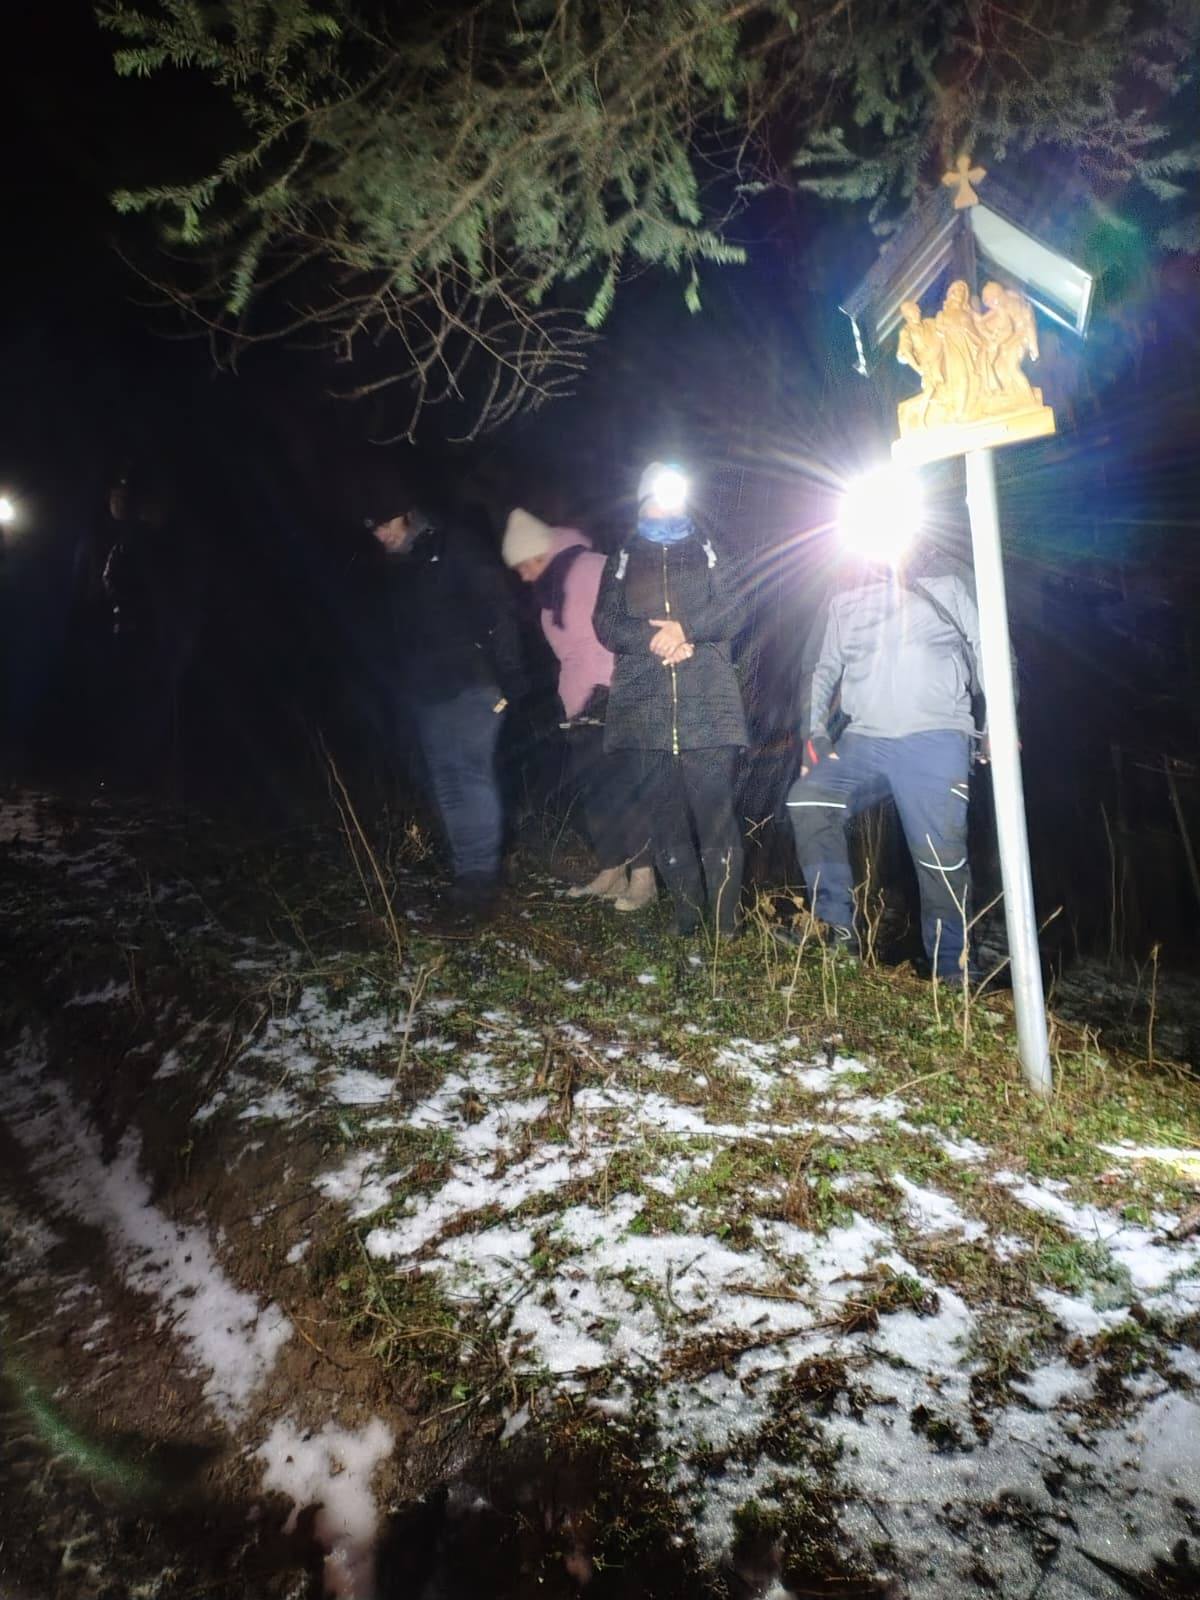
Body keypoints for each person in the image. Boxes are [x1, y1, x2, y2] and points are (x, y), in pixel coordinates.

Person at [785, 535, 988, 981]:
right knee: (810, 799)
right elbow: (820, 667)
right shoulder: (844, 591)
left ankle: (954, 971)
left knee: (939, 855)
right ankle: (835, 932)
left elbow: (987, 645)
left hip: (936, 735)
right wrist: (814, 734)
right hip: (865, 739)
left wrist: (999, 719)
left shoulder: (948, 576)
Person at [593, 462, 748, 936]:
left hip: (708, 704)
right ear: (642, 502)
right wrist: (655, 639)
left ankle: (726, 925)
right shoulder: (622, 556)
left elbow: (737, 607)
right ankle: (687, 918)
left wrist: (688, 629)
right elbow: (605, 623)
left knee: (716, 817)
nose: (666, 505)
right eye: (657, 497)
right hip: (644, 705)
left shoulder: (709, 546)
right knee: (664, 817)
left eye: (674, 495)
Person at [360, 475, 525, 915]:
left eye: (385, 524)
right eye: (373, 529)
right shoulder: (397, 568)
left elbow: (499, 608)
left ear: (406, 515)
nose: (381, 534)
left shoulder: (454, 546)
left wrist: (508, 678)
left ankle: (481, 877)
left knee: (471, 776)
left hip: (474, 684)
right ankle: (467, 871)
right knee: (448, 784)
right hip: (426, 693)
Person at [501, 506, 654, 908]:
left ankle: (644, 877)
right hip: (578, 704)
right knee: (596, 791)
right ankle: (611, 870)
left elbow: (629, 623)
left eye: (524, 565)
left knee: (624, 786)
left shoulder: (595, 567)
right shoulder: (549, 593)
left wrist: (619, 683)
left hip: (614, 695)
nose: (523, 575)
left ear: (540, 552)